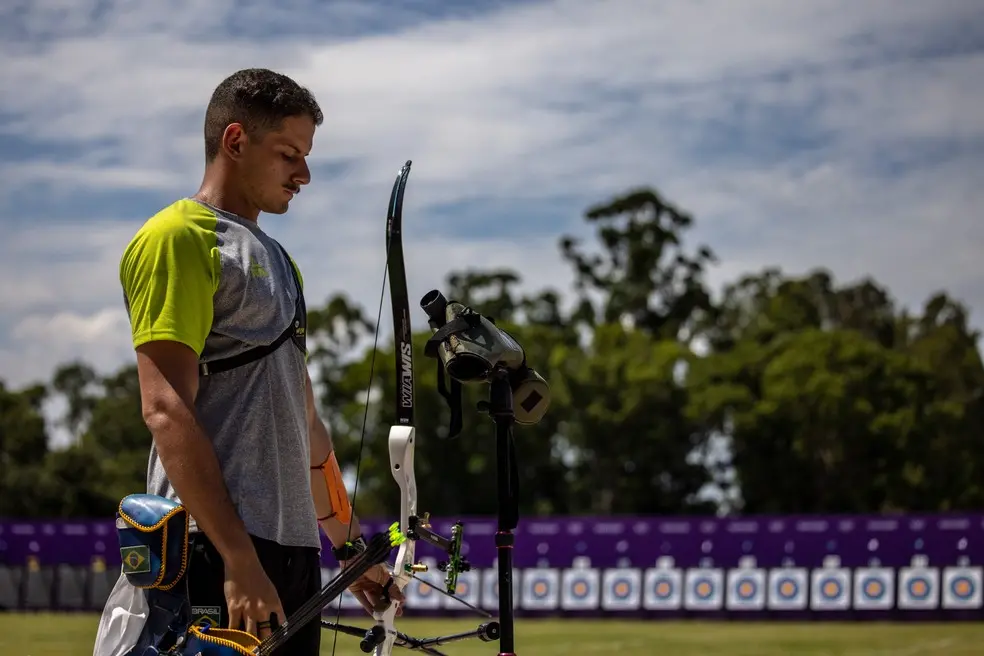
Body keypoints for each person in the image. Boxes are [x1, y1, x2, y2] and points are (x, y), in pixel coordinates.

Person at [91, 68, 402, 656]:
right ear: (235, 141)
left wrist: (348, 550)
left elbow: (305, 425)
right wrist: (237, 557)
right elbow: (164, 408)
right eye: (289, 154)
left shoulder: (283, 264)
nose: (304, 174)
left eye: (306, 156)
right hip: (212, 549)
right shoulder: (180, 235)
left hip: (291, 553)